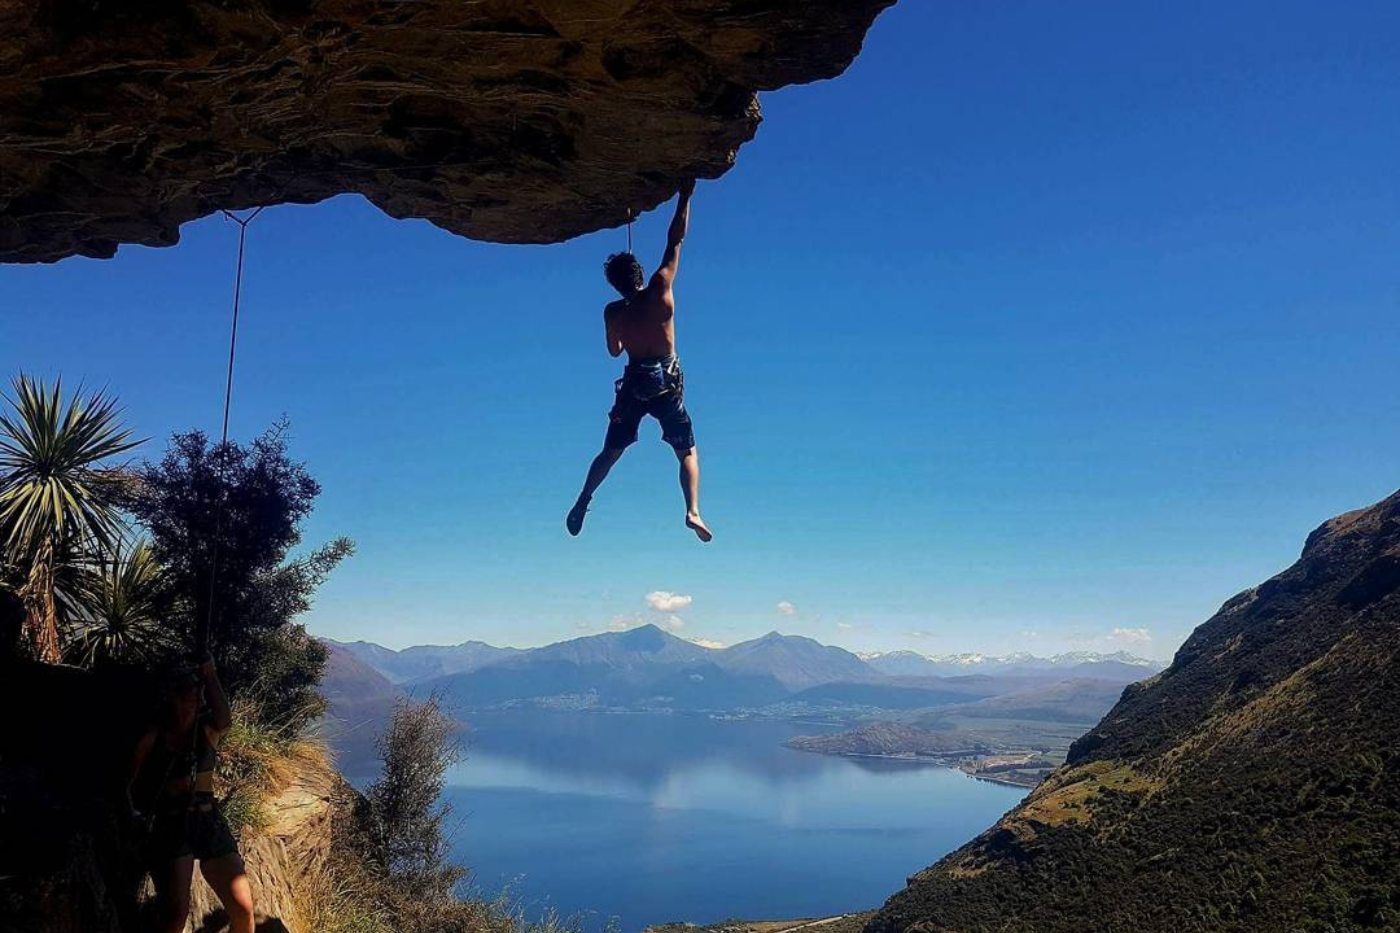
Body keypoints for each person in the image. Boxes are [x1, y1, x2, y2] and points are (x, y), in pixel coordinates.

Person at [567, 180, 713, 542]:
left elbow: (614, 352)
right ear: (640, 273)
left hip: (634, 383)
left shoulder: (612, 311)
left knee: (611, 450)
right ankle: (692, 510)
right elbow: (675, 240)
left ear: (614, 284)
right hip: (665, 381)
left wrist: (622, 328)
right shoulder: (661, 287)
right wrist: (685, 195)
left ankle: (584, 498)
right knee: (687, 451)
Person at [126, 653, 254, 933]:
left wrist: (210, 673)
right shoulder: (153, 738)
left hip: (207, 819)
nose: (196, 702)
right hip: (169, 823)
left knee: (243, 909)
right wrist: (135, 817)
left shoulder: (205, 731)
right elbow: (127, 785)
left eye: (198, 697)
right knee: (175, 915)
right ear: (172, 698)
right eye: (189, 696)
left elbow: (224, 718)